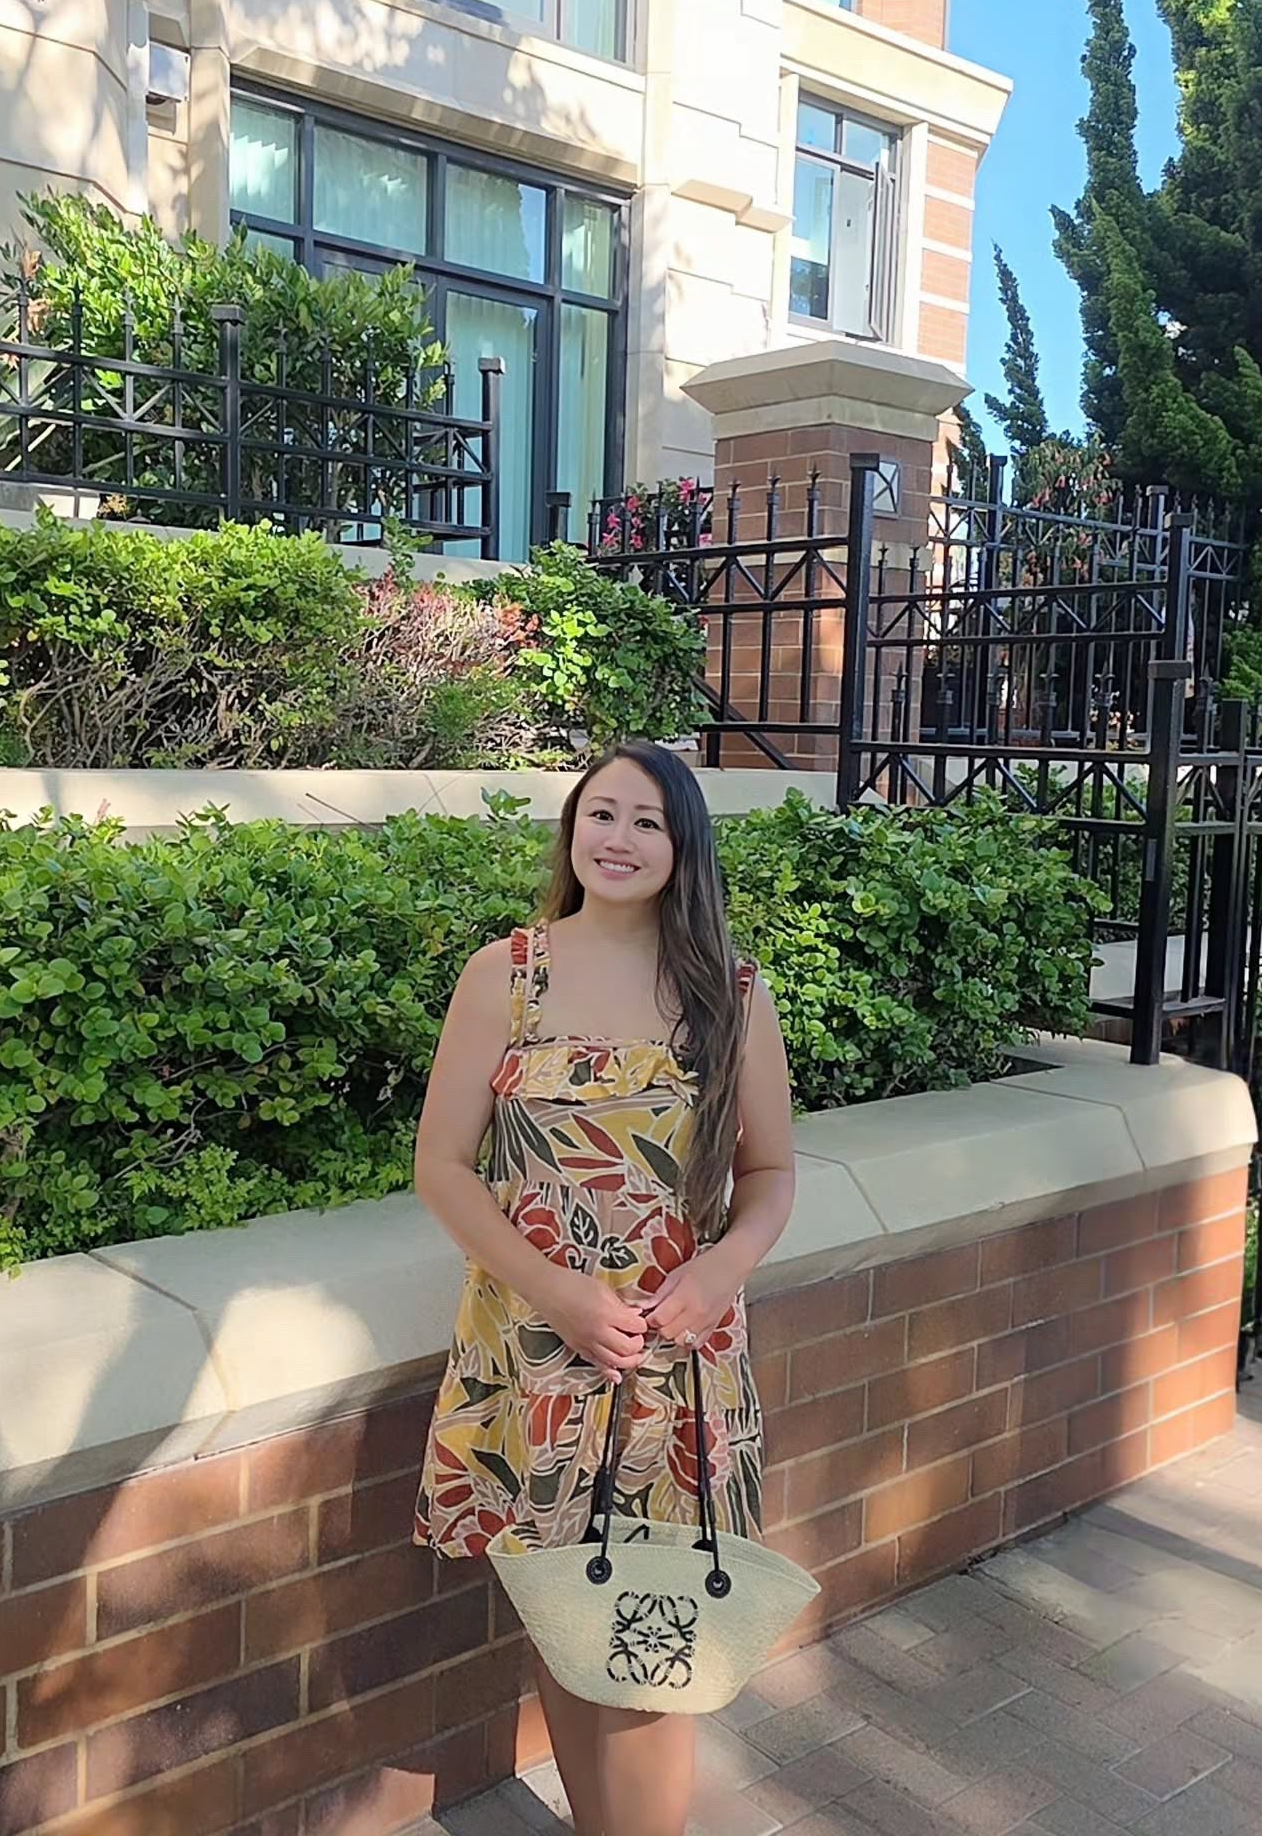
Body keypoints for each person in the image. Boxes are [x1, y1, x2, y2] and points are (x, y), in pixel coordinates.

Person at [412, 739, 796, 1836]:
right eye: (601, 815)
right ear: (572, 829)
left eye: (647, 822)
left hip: (674, 1374)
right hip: (532, 1358)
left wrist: (721, 1270)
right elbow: (442, 1168)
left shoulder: (730, 993)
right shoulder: (507, 974)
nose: (618, 840)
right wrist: (562, 1295)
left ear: (684, 848)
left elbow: (769, 1174)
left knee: (651, 1654)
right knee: (571, 1627)